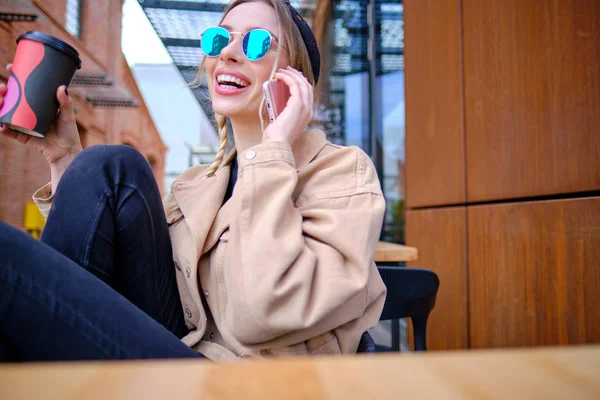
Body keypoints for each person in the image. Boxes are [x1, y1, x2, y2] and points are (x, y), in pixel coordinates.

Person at [0, 0, 386, 362]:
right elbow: (97, 266)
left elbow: (263, 313)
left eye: (256, 42)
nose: (227, 54)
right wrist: (64, 158)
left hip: (249, 382)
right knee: (109, 164)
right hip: (177, 348)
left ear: (295, 77)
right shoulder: (197, 183)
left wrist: (273, 150)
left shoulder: (340, 172)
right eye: (219, 39)